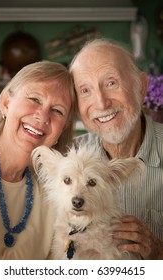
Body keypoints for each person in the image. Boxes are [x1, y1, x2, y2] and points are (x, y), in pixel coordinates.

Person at [69, 37, 163, 260]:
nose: (101, 103)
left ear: (141, 87)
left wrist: (158, 250)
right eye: (85, 90)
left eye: (111, 83)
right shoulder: (69, 160)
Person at [0, 60, 77, 259]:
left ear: (62, 130)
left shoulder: (58, 191)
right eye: (35, 99)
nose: (43, 116)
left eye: (57, 111)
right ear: (6, 104)